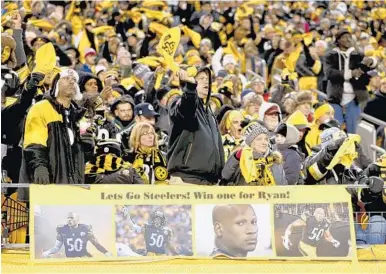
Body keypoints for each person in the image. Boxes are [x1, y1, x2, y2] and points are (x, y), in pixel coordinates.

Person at [19, 69, 86, 187]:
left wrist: (88, 145)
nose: (71, 82)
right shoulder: (41, 108)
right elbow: (34, 141)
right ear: (56, 84)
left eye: (74, 80)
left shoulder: (78, 115)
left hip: (75, 182)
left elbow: (81, 153)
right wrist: (39, 166)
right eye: (66, 78)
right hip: (48, 180)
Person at [168, 68, 224, 185]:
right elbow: (186, 110)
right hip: (186, 179)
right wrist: (190, 88)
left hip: (209, 181)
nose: (206, 82)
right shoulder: (178, 101)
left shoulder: (209, 112)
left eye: (208, 80)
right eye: (201, 79)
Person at [324, 29, 377, 133]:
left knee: (353, 131)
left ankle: (352, 148)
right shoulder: (330, 55)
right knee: (335, 129)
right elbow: (329, 73)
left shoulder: (357, 54)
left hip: (354, 98)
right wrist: (350, 73)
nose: (348, 40)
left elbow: (370, 64)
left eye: (349, 37)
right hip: (335, 97)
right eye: (344, 37)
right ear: (338, 40)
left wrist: (371, 61)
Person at [221, 122, 287, 186]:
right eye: (259, 139)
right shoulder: (242, 159)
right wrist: (236, 158)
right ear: (251, 142)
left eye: (266, 139)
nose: (264, 142)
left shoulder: (274, 160)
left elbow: (283, 185)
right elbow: (225, 176)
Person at [42, 212, 111, 258]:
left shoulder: (85, 228)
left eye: (72, 218)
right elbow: (56, 248)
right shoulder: (62, 229)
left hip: (84, 257)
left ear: (78, 220)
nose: (69, 220)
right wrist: (47, 252)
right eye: (68, 218)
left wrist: (106, 252)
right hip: (70, 259)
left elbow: (96, 244)